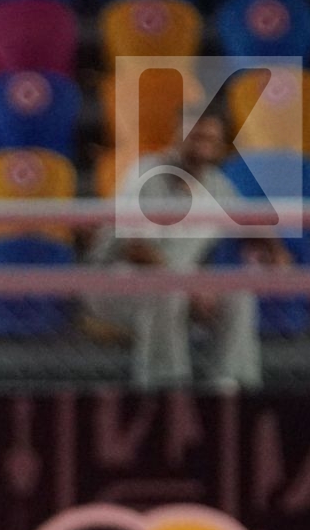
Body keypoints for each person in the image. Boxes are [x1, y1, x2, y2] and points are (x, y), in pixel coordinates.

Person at [87, 111, 261, 389]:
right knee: (168, 292)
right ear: (176, 138)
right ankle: (165, 389)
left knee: (238, 293)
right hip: (116, 282)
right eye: (194, 136)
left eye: (210, 138)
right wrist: (190, 284)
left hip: (180, 282)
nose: (201, 143)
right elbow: (136, 248)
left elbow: (252, 226)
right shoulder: (148, 172)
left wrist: (273, 248)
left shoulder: (218, 184)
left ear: (220, 146)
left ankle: (232, 386)